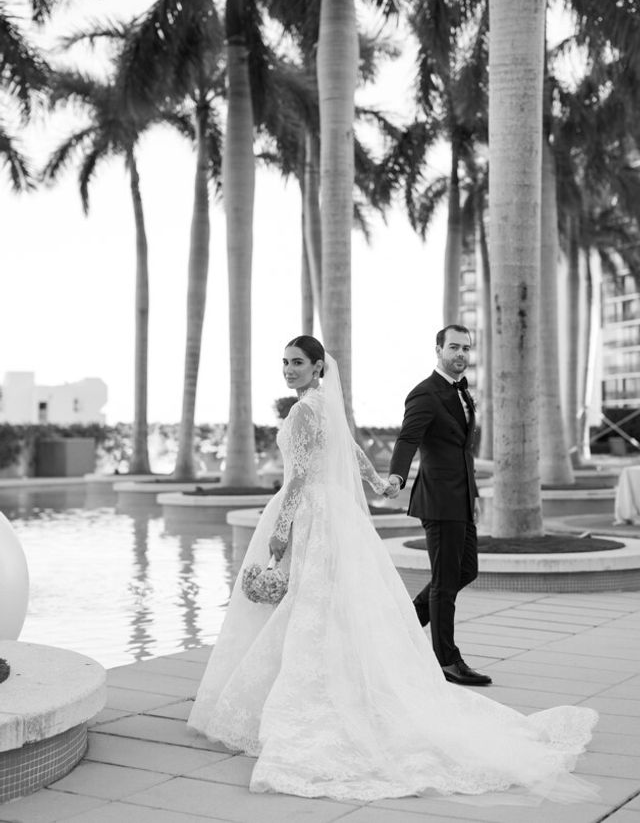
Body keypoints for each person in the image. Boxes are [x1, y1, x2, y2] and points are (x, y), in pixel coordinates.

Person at [188, 334, 597, 802]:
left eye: (298, 363)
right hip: (334, 512)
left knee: (307, 603)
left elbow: (299, 477)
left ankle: (309, 697)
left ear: (319, 367)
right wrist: (379, 481)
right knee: (323, 605)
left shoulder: (304, 410)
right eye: (284, 363)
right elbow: (352, 451)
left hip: (308, 513)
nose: (288, 370)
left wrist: (281, 533)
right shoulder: (324, 405)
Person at [388, 324, 489, 686]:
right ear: (438, 350)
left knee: (465, 571)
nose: (461, 354)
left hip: (461, 500)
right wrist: (397, 477)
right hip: (438, 501)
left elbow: (463, 452)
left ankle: (402, 627)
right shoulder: (425, 394)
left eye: (466, 348)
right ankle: (445, 660)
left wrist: (473, 496)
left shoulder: (461, 392)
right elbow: (408, 438)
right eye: (454, 348)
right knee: (445, 583)